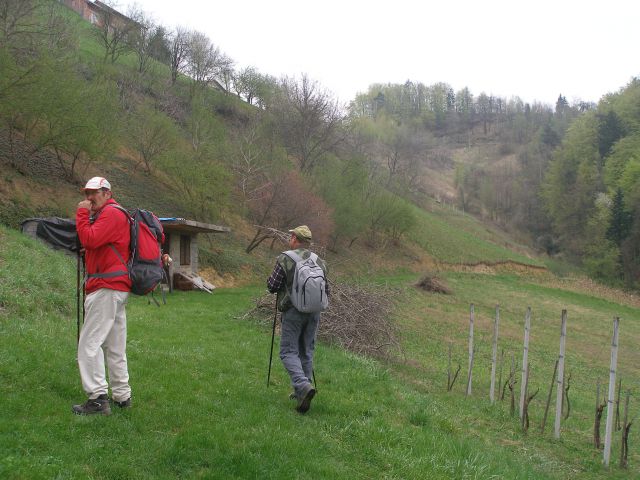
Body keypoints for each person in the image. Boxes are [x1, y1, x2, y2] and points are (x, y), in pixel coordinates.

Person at [72, 177, 132, 415]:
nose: (88, 198)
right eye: (87, 193)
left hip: (106, 287)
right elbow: (97, 242)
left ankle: (97, 398)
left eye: (94, 193)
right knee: (115, 345)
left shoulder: (111, 214)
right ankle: (122, 396)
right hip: (115, 286)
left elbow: (90, 238)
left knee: (89, 344)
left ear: (107, 193)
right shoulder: (115, 214)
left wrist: (81, 215)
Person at [267, 225, 329, 413]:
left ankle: (302, 386)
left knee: (287, 351)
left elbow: (272, 285)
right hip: (314, 311)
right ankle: (302, 390)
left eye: (290, 236)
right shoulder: (320, 261)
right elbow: (327, 290)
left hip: (293, 311)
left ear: (294, 239)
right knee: (306, 350)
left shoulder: (285, 258)